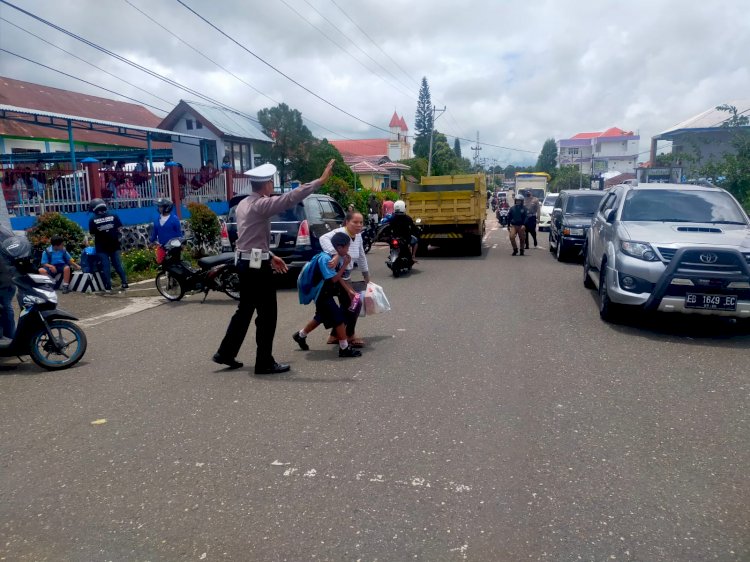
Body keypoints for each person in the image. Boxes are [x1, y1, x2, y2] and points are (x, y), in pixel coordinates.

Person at [213, 159, 336, 373]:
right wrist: (320, 180)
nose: (273, 187)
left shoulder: (243, 204)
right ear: (267, 184)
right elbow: (290, 198)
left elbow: (248, 238)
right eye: (271, 183)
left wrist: (271, 256)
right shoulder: (261, 204)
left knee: (244, 310)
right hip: (255, 266)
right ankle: (264, 361)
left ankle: (225, 352)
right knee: (267, 314)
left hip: (245, 260)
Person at [292, 232, 362, 358]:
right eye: (347, 247)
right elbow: (334, 278)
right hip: (322, 295)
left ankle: (300, 335)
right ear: (339, 247)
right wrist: (345, 265)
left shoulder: (336, 257)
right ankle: (344, 348)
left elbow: (339, 277)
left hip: (325, 293)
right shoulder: (326, 259)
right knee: (338, 318)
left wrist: (349, 290)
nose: (348, 250)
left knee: (320, 317)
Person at [319, 211, 369, 348]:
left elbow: (361, 255)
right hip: (337, 276)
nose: (359, 225)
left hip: (346, 275)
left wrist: (366, 275)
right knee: (355, 303)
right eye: (355, 222)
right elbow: (323, 238)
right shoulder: (340, 233)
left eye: (361, 222)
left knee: (347, 305)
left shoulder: (357, 236)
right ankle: (349, 335)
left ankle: (335, 335)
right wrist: (335, 254)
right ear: (347, 222)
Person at [88, 198, 128, 293]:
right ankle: (125, 283)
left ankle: (108, 286)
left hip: (101, 247)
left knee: (106, 266)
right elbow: (119, 228)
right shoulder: (113, 215)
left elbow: (92, 233)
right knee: (118, 264)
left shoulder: (92, 219)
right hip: (114, 244)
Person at [149, 198, 182, 264]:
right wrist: (151, 242)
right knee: (162, 264)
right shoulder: (157, 219)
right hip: (162, 246)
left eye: (161, 206)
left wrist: (182, 244)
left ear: (167, 208)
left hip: (173, 247)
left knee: (174, 265)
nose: (159, 208)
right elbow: (155, 232)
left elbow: (179, 233)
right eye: (159, 206)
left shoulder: (174, 219)